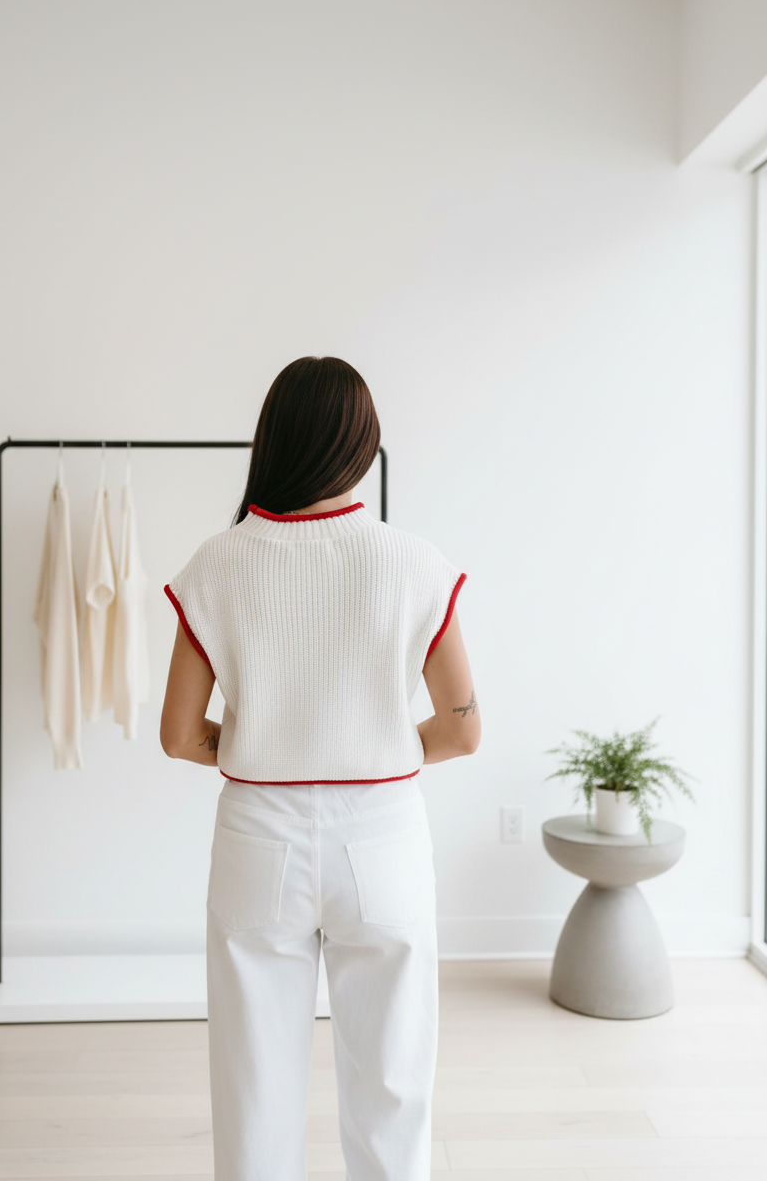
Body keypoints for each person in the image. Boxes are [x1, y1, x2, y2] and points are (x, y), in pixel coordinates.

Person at [160, 356, 480, 1180]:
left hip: (257, 843)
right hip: (384, 841)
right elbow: (463, 729)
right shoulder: (415, 563)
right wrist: (371, 745)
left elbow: (177, 735)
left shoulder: (218, 564)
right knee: (393, 1087)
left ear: (274, 441)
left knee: (254, 1088)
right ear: (364, 446)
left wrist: (274, 739)